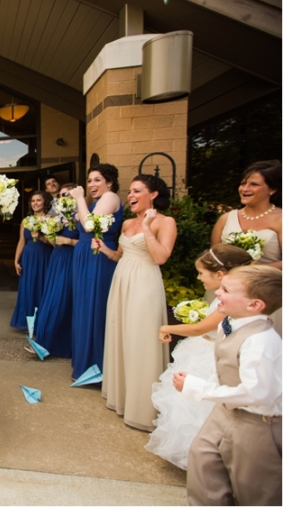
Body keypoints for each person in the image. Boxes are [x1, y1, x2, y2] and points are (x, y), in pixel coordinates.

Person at [175, 265, 281, 505]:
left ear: (254, 305)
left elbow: (258, 393)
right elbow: (225, 365)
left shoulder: (261, 341)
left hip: (257, 424)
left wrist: (199, 388)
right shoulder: (230, 324)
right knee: (203, 464)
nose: (218, 293)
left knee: (254, 491)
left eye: (226, 290)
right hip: (224, 413)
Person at [146, 244, 253, 469]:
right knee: (185, 405)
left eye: (202, 273)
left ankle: (202, 459)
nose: (199, 277)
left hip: (210, 356)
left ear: (220, 274)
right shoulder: (227, 295)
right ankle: (192, 455)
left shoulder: (228, 301)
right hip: (203, 350)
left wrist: (167, 328)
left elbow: (201, 328)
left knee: (196, 409)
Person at [95, 175, 177, 431]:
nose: (130, 195)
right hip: (122, 281)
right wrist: (105, 249)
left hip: (145, 283)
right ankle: (122, 397)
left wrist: (149, 229)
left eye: (137, 191)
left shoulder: (166, 222)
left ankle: (143, 408)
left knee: (142, 340)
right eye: (129, 191)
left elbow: (161, 257)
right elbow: (121, 255)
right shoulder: (128, 222)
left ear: (153, 195)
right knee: (122, 335)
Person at [211, 160, 281, 335]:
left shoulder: (281, 219)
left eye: (254, 184)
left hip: (266, 293)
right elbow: (214, 256)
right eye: (243, 183)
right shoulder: (226, 219)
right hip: (227, 292)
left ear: (272, 189)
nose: (245, 188)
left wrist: (249, 271)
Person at [68, 163, 123, 380]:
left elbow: (90, 226)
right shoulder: (99, 202)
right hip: (84, 256)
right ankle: (84, 362)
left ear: (109, 182)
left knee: (93, 307)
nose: (91, 184)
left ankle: (95, 365)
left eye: (97, 179)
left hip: (98, 257)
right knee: (84, 306)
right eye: (89, 180)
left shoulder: (110, 197)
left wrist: (80, 199)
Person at [34, 183, 79, 358]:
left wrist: (68, 242)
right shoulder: (59, 217)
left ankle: (53, 344)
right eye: (60, 196)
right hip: (57, 259)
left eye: (66, 195)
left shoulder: (80, 216)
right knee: (51, 298)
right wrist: (49, 233)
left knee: (61, 300)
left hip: (71, 260)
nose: (62, 198)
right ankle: (45, 342)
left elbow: (87, 241)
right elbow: (54, 243)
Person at [10, 191, 53, 334]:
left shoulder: (50, 219)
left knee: (42, 286)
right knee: (28, 286)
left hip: (44, 255)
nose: (35, 203)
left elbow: (54, 243)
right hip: (28, 256)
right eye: (33, 201)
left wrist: (41, 237)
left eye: (38, 200)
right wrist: (16, 260)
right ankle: (26, 321)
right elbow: (21, 242)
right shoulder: (26, 221)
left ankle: (42, 322)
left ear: (45, 202)